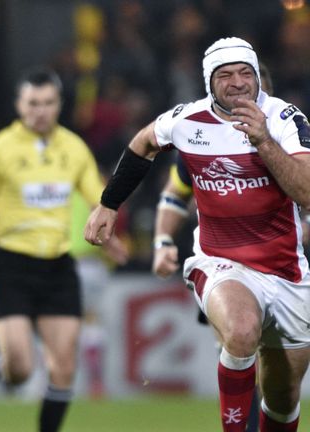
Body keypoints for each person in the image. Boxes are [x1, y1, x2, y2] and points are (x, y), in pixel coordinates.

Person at [85, 37, 310, 432]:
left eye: (245, 73)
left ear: (258, 77)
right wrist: (109, 203)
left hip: (286, 271)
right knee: (241, 330)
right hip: (221, 262)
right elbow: (143, 144)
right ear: (209, 82)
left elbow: (306, 192)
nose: (237, 82)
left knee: (283, 396)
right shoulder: (187, 121)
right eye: (226, 75)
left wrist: (263, 140)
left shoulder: (285, 119)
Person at [0, 69, 126, 432]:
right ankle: (0, 354)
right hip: (11, 265)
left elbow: (99, 200)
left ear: (59, 105)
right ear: (19, 105)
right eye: (33, 103)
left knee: (64, 368)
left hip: (58, 266)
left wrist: (111, 237)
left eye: (48, 103)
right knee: (20, 372)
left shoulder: (73, 147)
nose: (40, 111)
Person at [152, 61, 275, 432]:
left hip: (281, 263)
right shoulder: (202, 139)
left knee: (278, 371)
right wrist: (162, 241)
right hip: (223, 263)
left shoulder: (291, 137)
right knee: (240, 344)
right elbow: (174, 194)